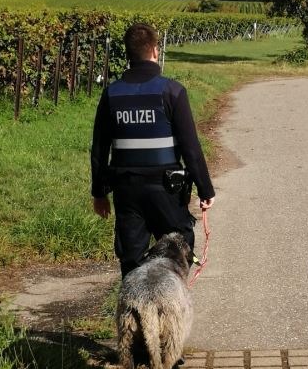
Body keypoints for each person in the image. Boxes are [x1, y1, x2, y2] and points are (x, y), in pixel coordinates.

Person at [91, 23, 215, 277]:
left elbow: (100, 148)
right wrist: (205, 190)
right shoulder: (172, 91)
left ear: (128, 53)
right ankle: (168, 302)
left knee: (131, 259)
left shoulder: (111, 94)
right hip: (167, 192)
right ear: (155, 51)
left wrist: (99, 193)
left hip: (127, 192)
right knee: (180, 249)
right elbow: (190, 147)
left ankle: (135, 311)